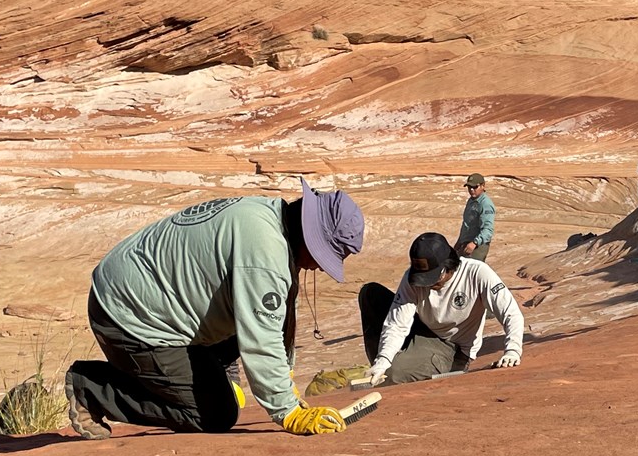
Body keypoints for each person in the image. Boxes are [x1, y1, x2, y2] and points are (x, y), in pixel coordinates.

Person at [64, 183, 365, 438]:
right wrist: (286, 410)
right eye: (323, 256)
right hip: (128, 317)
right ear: (310, 238)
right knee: (215, 413)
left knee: (251, 328)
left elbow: (279, 314)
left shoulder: (270, 215)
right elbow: (262, 338)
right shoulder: (264, 252)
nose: (319, 267)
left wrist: (285, 376)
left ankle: (202, 376)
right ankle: (92, 389)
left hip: (140, 293)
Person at [358, 232, 524, 385]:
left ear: (447, 266)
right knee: (371, 294)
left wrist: (512, 351)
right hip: (425, 331)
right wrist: (383, 360)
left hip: (452, 348)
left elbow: (511, 313)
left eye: (431, 278)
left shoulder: (477, 273)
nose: (427, 285)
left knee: (394, 373)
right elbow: (397, 323)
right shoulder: (411, 279)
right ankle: (377, 372)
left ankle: (392, 372)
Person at [455, 172, 495, 263]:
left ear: (483, 186)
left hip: (477, 245)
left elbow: (488, 230)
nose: (472, 190)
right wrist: (459, 242)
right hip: (466, 243)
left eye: (475, 187)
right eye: (469, 187)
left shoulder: (485, 204)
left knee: (471, 270)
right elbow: (466, 224)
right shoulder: (471, 200)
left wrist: (474, 243)